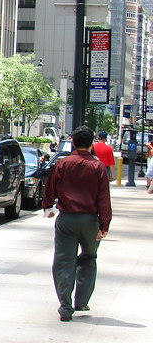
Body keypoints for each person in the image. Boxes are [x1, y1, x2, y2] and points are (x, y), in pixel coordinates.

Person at [42, 126, 111, 322]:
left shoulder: (63, 164)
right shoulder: (98, 167)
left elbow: (50, 188)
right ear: (91, 144)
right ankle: (81, 301)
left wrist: (48, 206)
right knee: (88, 257)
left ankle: (65, 306)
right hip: (90, 220)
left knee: (64, 260)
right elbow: (104, 199)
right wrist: (104, 225)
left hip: (67, 219)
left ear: (73, 142)